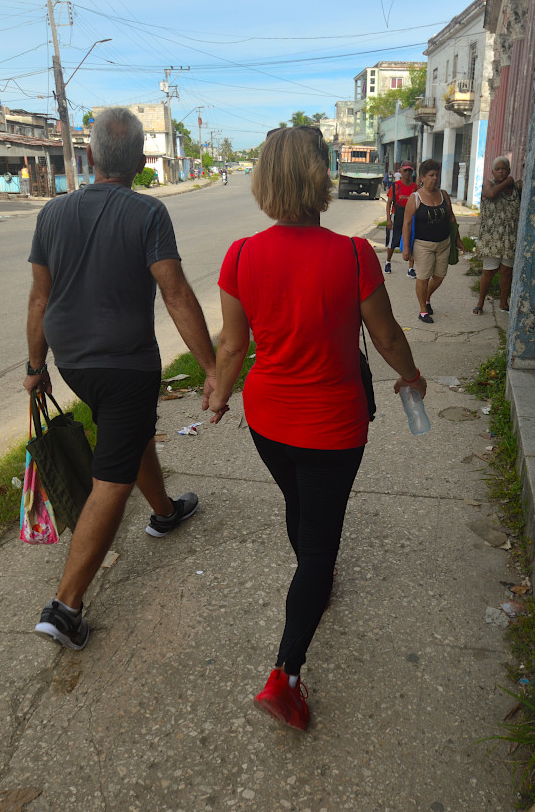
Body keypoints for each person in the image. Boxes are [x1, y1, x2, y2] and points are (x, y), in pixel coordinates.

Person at [204, 125, 426, 731]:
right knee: (320, 540)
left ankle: (313, 581)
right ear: (320, 177)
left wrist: (221, 396)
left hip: (269, 418)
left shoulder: (241, 255)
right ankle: (286, 674)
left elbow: (232, 347)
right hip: (333, 424)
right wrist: (412, 375)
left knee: (298, 505)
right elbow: (386, 336)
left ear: (263, 182)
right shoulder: (351, 255)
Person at [24, 106, 218, 651]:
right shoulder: (148, 213)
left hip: (73, 363)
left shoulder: (51, 214)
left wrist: (36, 369)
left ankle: (163, 512)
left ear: (89, 158)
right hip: (125, 364)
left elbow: (40, 297)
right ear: (139, 162)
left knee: (125, 433)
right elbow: (175, 292)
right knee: (111, 476)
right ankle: (65, 608)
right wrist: (211, 367)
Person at [401, 159, 465, 324]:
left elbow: (451, 217)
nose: (435, 178)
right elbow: (407, 223)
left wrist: (457, 239)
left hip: (444, 243)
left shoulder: (443, 195)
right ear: (422, 177)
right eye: (431, 175)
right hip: (423, 245)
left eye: (437, 175)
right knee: (423, 277)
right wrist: (406, 248)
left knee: (439, 276)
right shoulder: (415, 198)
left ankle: (427, 297)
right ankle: (423, 310)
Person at [474, 156, 521, 314]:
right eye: (497, 169)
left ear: (509, 170)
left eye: (504, 169)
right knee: (489, 271)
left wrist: (512, 183)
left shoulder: (516, 189)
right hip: (492, 239)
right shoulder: (489, 184)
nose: (501, 171)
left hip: (510, 238)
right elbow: (492, 194)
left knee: (507, 271)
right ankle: (480, 303)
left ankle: (503, 302)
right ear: (492, 172)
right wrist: (507, 182)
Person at [383, 162, 417, 275]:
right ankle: (388, 262)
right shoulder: (395, 186)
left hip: (410, 217)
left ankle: (411, 268)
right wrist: (388, 219)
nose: (407, 173)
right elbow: (388, 204)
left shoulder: (415, 188)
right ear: (401, 172)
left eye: (409, 171)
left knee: (411, 241)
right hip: (396, 216)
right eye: (405, 170)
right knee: (392, 242)